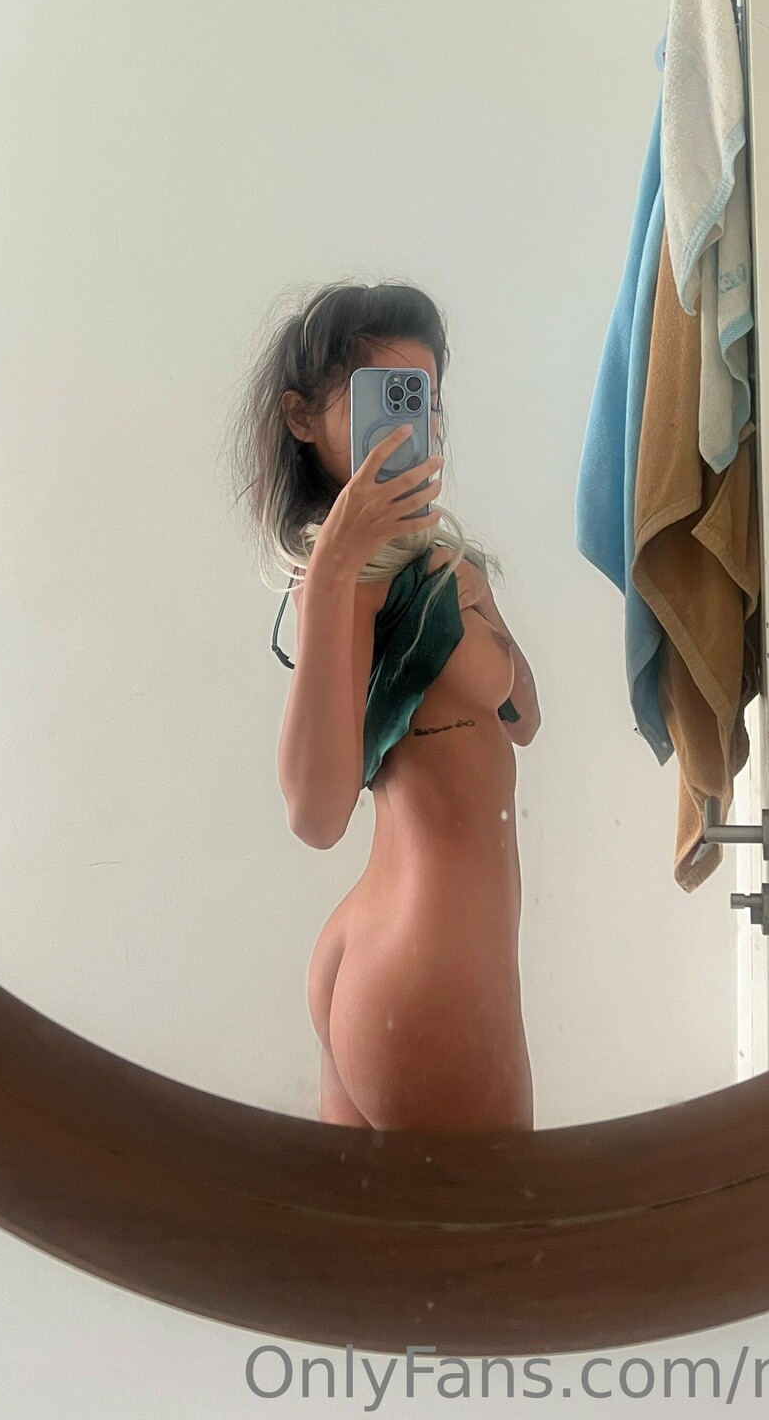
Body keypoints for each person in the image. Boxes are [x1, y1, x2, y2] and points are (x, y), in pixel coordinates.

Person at [228, 280, 540, 1130]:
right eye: (384, 398)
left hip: (404, 957)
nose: (410, 425)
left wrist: (477, 603)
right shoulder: (341, 581)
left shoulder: (440, 561)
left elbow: (524, 718)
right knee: (494, 1221)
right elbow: (315, 814)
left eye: (423, 400)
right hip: (431, 976)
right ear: (302, 417)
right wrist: (335, 568)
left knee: (369, 1225)